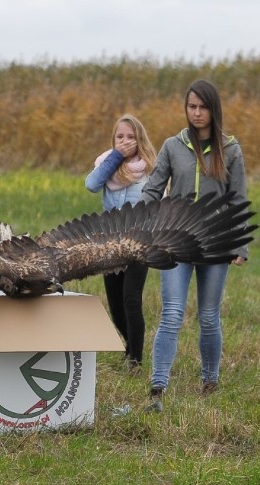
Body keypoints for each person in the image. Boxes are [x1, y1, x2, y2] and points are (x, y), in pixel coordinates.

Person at [140, 79, 250, 411]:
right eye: (191, 106)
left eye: (202, 107)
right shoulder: (172, 146)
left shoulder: (230, 149)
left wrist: (240, 246)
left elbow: (238, 199)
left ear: (213, 110)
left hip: (216, 244)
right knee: (171, 314)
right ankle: (158, 388)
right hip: (177, 242)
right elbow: (153, 190)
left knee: (209, 316)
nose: (196, 113)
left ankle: (210, 381)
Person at [85, 114, 157, 369]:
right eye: (120, 137)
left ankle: (135, 358)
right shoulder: (106, 165)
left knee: (130, 299)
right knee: (115, 304)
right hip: (110, 243)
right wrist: (116, 156)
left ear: (140, 140)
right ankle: (128, 347)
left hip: (139, 244)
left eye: (131, 137)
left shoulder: (150, 169)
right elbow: (91, 184)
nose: (125, 141)